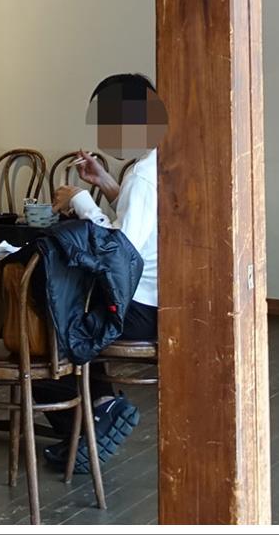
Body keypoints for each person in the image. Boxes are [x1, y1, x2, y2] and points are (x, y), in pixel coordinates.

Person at [47, 72, 164, 471]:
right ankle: (99, 411)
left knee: (50, 325)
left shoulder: (144, 174)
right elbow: (144, 225)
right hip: (158, 301)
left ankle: (92, 419)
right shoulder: (160, 162)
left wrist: (81, 199)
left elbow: (119, 254)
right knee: (71, 313)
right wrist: (107, 184)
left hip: (139, 308)